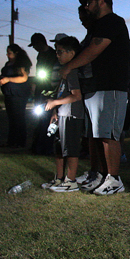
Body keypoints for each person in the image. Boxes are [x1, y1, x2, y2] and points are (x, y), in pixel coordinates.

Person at [58, 0, 130, 196]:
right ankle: (100, 174)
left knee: (109, 135)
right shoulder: (97, 27)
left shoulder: (113, 21)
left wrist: (69, 66)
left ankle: (114, 179)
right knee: (96, 134)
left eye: (89, 3)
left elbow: (94, 50)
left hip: (110, 86)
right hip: (95, 87)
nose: (85, 7)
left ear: (101, 2)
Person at [41, 36, 85, 192]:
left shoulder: (72, 72)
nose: (57, 55)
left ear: (72, 53)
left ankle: (70, 180)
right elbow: (60, 94)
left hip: (72, 115)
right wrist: (54, 110)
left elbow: (76, 95)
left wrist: (55, 103)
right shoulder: (64, 72)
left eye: (60, 52)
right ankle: (59, 178)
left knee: (71, 149)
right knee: (59, 147)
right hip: (61, 114)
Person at [30, 32, 61, 155]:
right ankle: (38, 145)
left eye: (35, 45)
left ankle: (46, 147)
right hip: (40, 90)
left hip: (49, 90)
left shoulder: (52, 55)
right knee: (40, 119)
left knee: (47, 120)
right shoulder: (40, 55)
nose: (34, 48)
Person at [0, 44, 33, 148]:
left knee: (18, 118)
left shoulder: (20, 64)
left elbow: (23, 78)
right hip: (8, 93)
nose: (7, 55)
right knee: (12, 118)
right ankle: (11, 141)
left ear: (16, 53)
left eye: (9, 53)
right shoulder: (8, 63)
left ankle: (20, 142)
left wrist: (8, 79)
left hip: (18, 94)